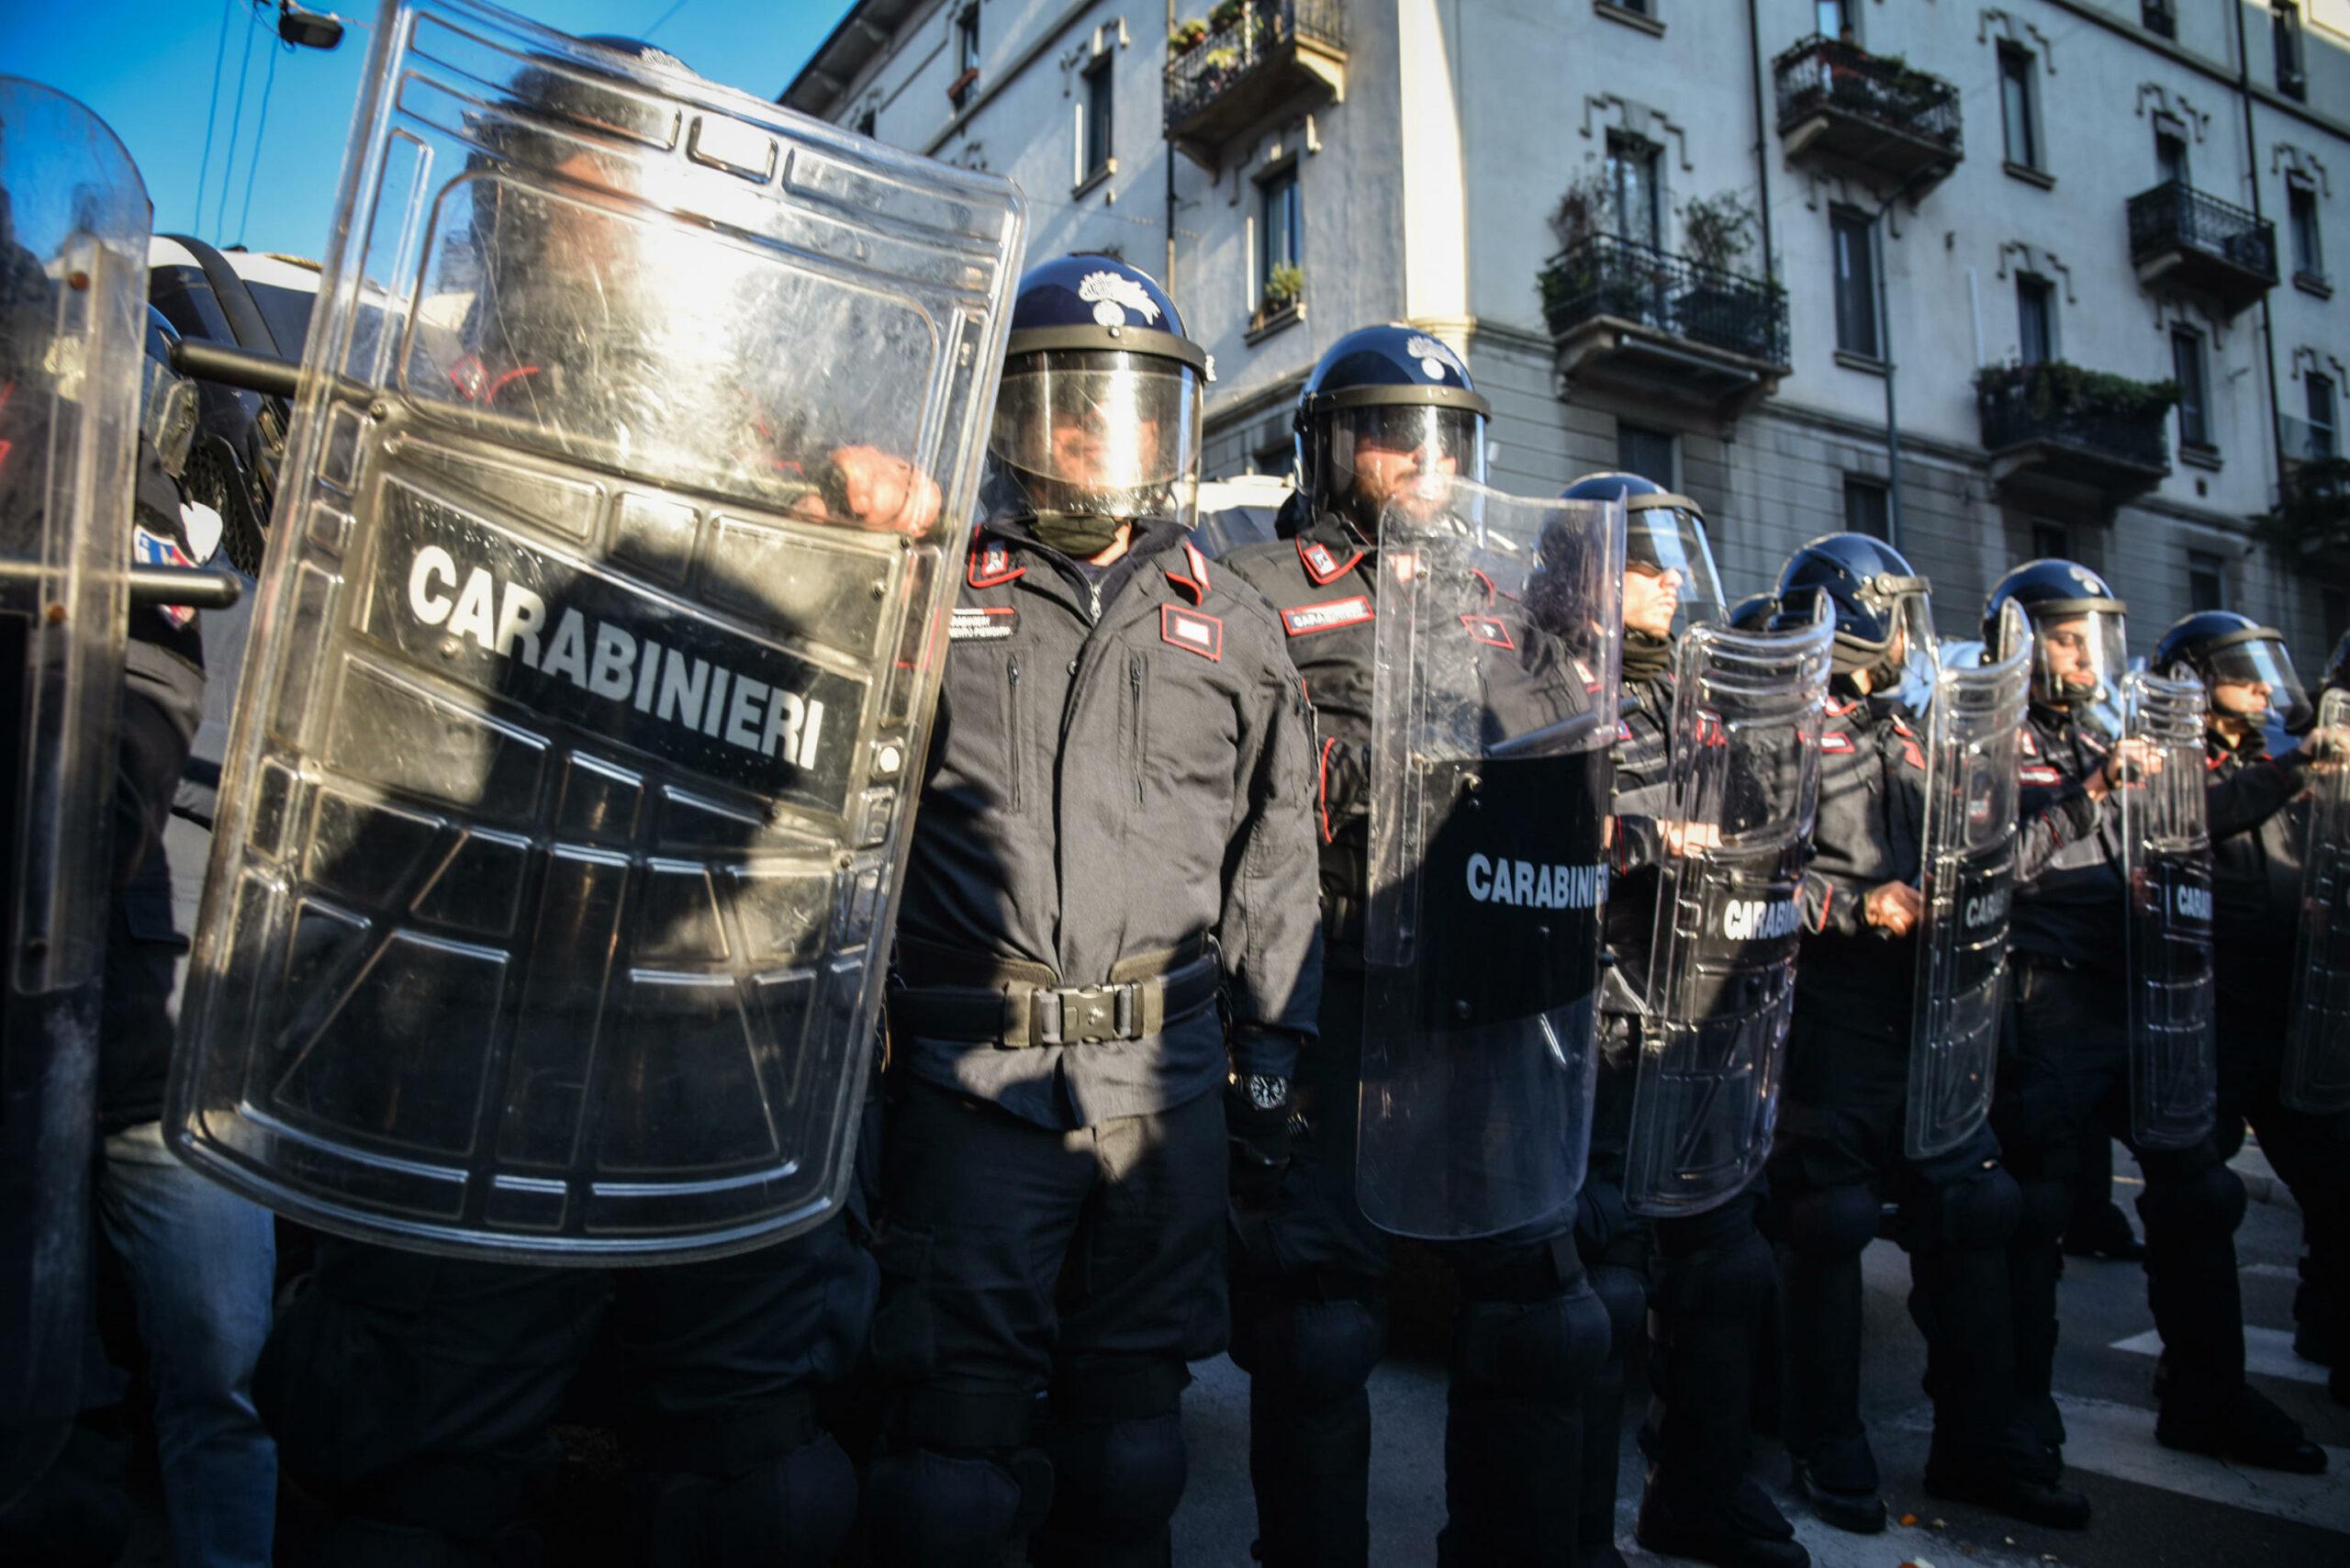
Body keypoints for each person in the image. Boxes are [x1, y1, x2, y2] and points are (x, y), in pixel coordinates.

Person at [249, 37, 956, 1567]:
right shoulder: (427, 424)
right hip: (471, 1054)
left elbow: (867, 775)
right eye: (613, 162)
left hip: (722, 1060)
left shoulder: (807, 477)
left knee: (764, 1488)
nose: (652, 199)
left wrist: (889, 569)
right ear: (528, 203)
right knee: (403, 1491)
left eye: (671, 164)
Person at [858, 254, 1322, 1568]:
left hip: (1161, 1094)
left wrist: (1277, 1060)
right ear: (1015, 419)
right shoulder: (933, 586)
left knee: (1131, 1451)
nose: (1094, 437)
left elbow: (1278, 855)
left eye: (1124, 408)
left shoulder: (1231, 623)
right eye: (1067, 405)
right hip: (974, 1088)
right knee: (946, 1467)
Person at [1217, 325, 1612, 1566]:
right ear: (1334, 450)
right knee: (1319, 1330)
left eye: (1442, 441)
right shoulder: (1266, 597)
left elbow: (1567, 785)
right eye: (1390, 437)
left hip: (1489, 1023)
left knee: (1543, 1317)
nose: (1421, 465)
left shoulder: (1508, 613)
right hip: (1342, 1003)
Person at [1762, 537, 2091, 1535]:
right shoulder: (1775, 730)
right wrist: (1860, 911)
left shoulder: (1915, 731)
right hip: (1831, 1021)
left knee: (1981, 1209)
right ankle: (1827, 1440)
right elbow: (1750, 879)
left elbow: (1979, 840)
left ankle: (1979, 1444)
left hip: (1931, 1018)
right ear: (1854, 616)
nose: (1911, 633)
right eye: (1896, 612)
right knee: (1828, 1222)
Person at [1988, 563, 2326, 1477]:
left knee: (2197, 1188)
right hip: (2045, 999)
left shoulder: (2110, 727)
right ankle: (2013, 1416)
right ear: (2020, 641)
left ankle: (2203, 1393)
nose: (2086, 656)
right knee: (2039, 1214)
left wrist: (2295, 770)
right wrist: (2089, 792)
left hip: (2135, 990)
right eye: (2067, 636)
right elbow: (1989, 868)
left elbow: (2190, 821)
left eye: (2096, 635)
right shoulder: (1984, 739)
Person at [1567, 473, 1808, 1568]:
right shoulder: (1545, 677)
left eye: (1676, 559)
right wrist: (1651, 836)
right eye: (1643, 560)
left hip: (1702, 1014)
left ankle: (1697, 1494)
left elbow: (1771, 814)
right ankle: (1570, 1528)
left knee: (1726, 1270)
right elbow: (1533, 819)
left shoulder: (1702, 691)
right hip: (1599, 1030)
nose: (1669, 581)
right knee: (1601, 1294)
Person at [2154, 612, 2348, 1408]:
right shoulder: (2171, 761)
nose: (2266, 685)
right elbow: (2197, 818)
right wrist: (2294, 770)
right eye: (2244, 670)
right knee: (2197, 1200)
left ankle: (2330, 1325)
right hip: (2204, 1013)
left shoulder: (2274, 758)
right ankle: (2199, 1384)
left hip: (2280, 1009)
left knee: (2338, 1179)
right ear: (2198, 681)